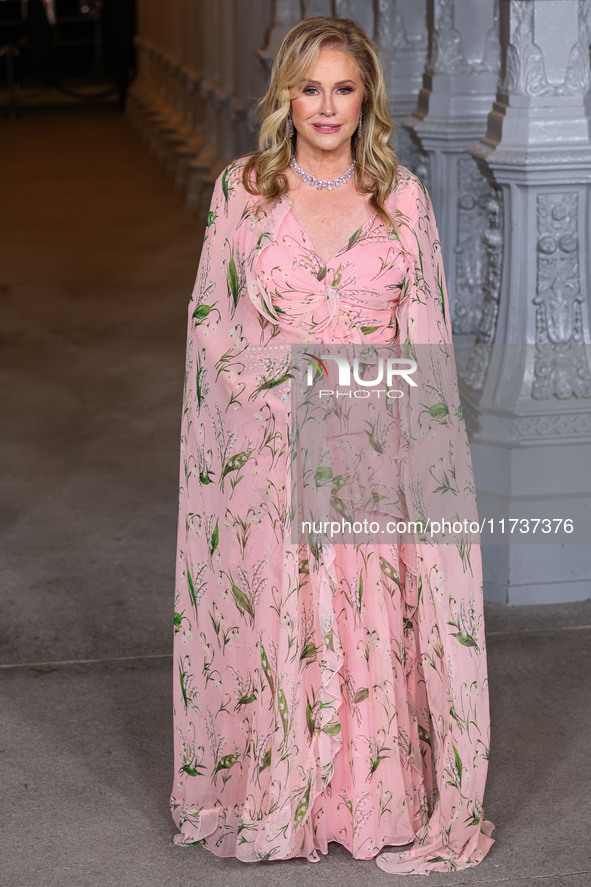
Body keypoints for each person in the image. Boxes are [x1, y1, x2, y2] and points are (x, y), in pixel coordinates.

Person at [170, 16, 496, 874]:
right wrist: (275, 403)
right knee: (282, 623)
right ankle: (283, 794)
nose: (325, 106)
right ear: (285, 93)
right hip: (269, 446)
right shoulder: (243, 189)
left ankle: (369, 797)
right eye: (309, 87)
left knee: (361, 625)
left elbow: (425, 347)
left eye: (342, 88)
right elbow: (212, 326)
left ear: (365, 99)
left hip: (368, 448)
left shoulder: (402, 199)